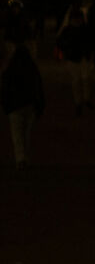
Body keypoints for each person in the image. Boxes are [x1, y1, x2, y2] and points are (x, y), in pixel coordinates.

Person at [2, 23, 45, 165]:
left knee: (17, 134)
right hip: (28, 104)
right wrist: (39, 104)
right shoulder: (31, 69)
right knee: (26, 133)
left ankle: (20, 157)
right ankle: (24, 156)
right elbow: (38, 87)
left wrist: (6, 104)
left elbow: (5, 87)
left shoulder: (10, 70)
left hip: (15, 106)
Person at [56, 6, 93, 116]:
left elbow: (91, 41)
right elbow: (60, 42)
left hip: (83, 57)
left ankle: (86, 98)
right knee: (76, 80)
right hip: (73, 58)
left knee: (85, 78)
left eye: (79, 18)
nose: (77, 20)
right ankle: (78, 103)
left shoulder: (85, 29)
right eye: (75, 18)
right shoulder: (67, 30)